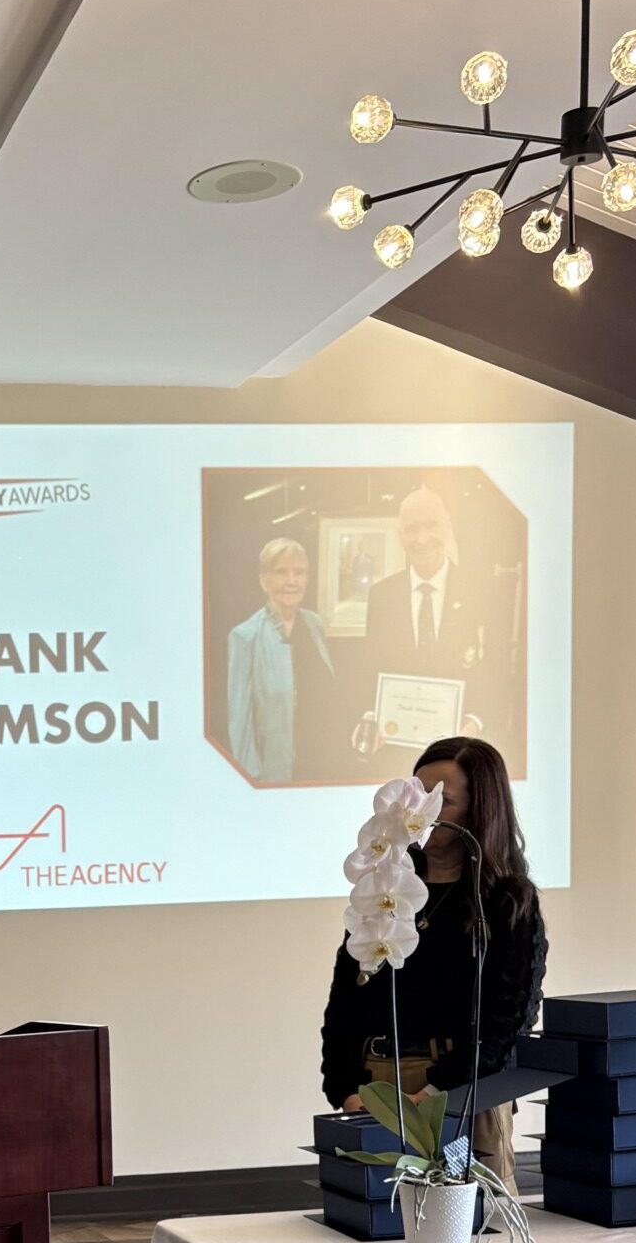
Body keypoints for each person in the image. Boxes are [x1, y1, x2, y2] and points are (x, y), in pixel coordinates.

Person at [319, 736, 545, 1191]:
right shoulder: (384, 888)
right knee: (377, 1221)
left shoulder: (504, 901)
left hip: (463, 1093)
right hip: (376, 1087)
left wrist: (438, 1090)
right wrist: (344, 1087)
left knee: (470, 1222)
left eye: (442, 800)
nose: (419, 809)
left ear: (480, 810)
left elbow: (509, 1017)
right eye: (415, 794)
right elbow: (345, 999)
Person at [356, 486, 519, 778]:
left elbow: (496, 667)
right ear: (400, 536)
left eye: (431, 525)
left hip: (463, 756)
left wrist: (474, 722)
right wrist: (371, 716)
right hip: (397, 757)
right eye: (412, 529)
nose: (422, 538)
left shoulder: (482, 591)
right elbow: (370, 665)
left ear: (447, 526)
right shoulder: (382, 595)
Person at [223, 537, 340, 783]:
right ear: (264, 580)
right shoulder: (245, 637)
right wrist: (251, 781)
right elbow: (240, 724)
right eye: (281, 572)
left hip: (323, 763)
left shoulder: (314, 624)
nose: (292, 581)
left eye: (299, 572)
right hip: (276, 775)